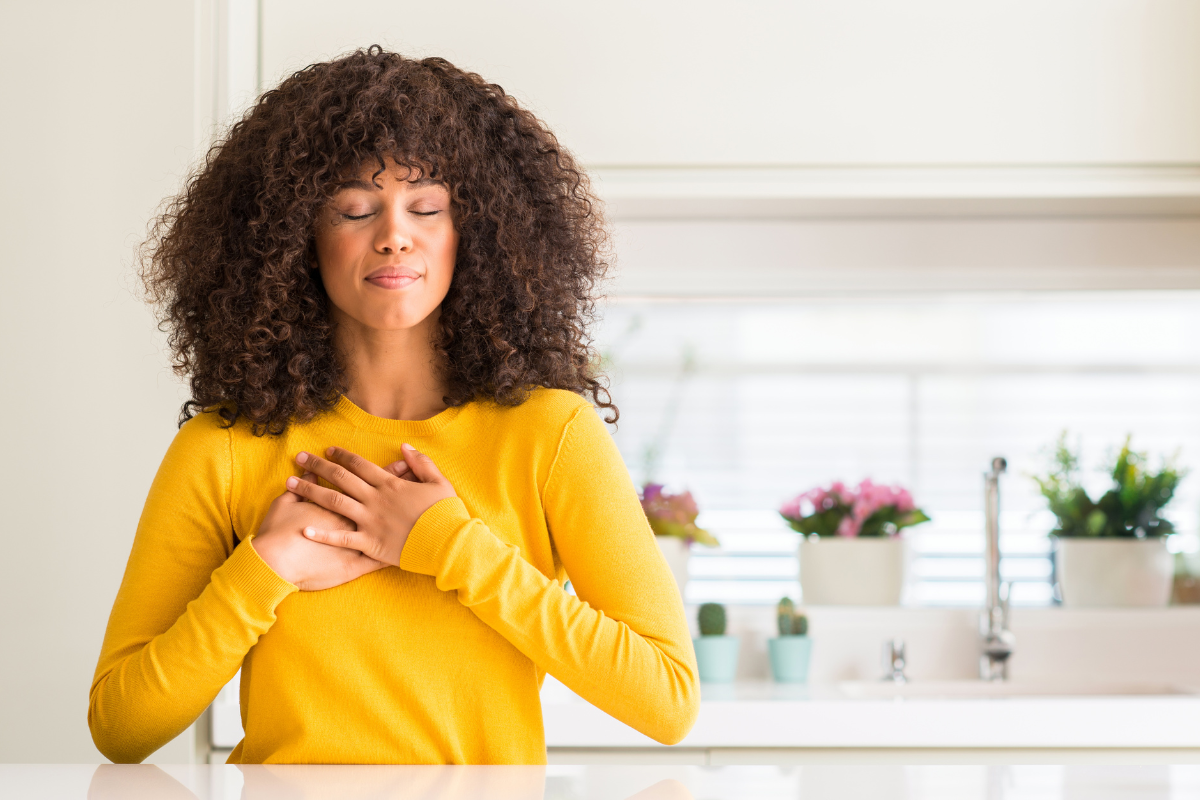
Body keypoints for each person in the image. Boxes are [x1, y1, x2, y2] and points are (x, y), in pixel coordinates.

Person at [88, 46, 699, 765]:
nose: (393, 234)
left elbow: (666, 699)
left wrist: (447, 545)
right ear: (292, 236)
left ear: (476, 231)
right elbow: (121, 727)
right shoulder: (228, 448)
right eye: (353, 209)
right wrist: (265, 566)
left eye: (427, 206)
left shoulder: (551, 434)